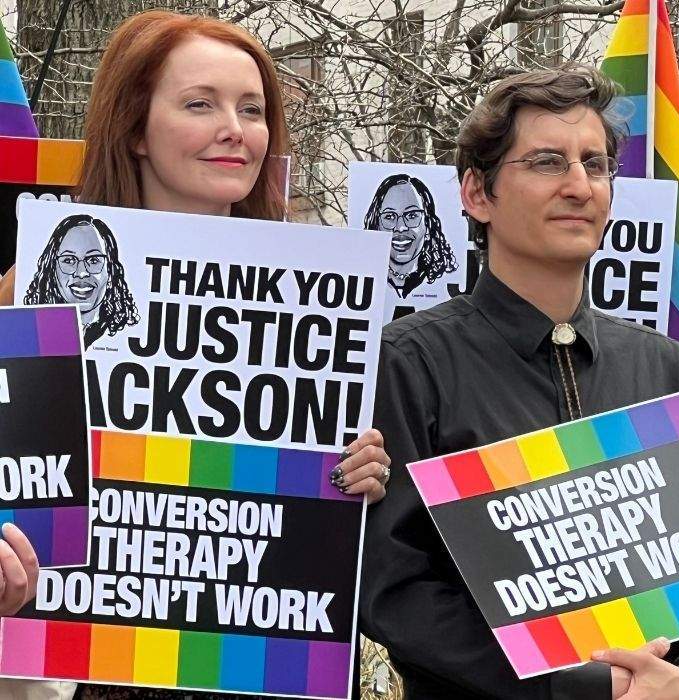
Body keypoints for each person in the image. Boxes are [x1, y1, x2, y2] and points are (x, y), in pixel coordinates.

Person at [0, 10, 392, 700]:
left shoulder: (320, 304)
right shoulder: (25, 298)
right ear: (133, 129)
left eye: (252, 109)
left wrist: (353, 474)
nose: (234, 130)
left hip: (255, 670)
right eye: (199, 104)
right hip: (73, 671)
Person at [361, 65, 679, 700]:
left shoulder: (664, 367)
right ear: (477, 195)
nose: (578, 186)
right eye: (545, 163)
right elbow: (396, 591)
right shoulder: (408, 363)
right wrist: (588, 687)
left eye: (594, 165)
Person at [23, 214, 140, 348]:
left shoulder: (124, 337)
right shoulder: (31, 333)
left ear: (111, 269)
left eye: (93, 260)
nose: (82, 273)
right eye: (69, 260)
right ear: (52, 269)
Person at [363, 173, 458, 298]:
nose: (401, 227)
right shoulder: (361, 279)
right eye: (389, 216)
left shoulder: (447, 284)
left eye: (412, 215)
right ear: (376, 225)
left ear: (428, 224)